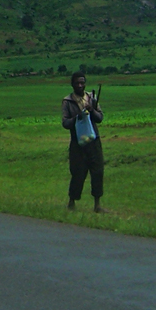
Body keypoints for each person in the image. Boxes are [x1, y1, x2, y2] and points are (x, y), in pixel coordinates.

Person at [61, 71, 105, 212]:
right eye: (77, 83)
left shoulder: (92, 98)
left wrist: (92, 110)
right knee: (78, 173)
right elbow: (65, 123)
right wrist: (78, 117)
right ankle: (72, 202)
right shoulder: (68, 101)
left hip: (93, 141)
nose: (80, 85)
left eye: (82, 82)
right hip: (77, 143)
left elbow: (100, 118)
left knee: (97, 171)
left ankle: (97, 205)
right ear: (72, 84)